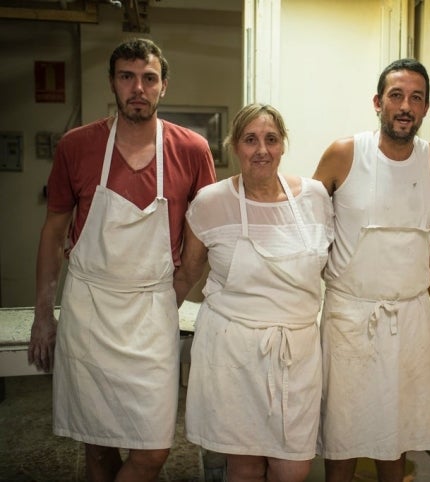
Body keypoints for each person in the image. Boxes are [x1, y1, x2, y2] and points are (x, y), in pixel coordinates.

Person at [27, 38, 217, 481]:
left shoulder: (191, 149)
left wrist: (178, 288)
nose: (138, 88)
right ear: (112, 82)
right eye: (127, 77)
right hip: (90, 308)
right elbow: (54, 231)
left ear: (163, 86)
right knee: (98, 445)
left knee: (152, 450)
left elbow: (204, 233)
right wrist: (43, 315)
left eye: (148, 79)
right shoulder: (77, 145)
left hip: (151, 310)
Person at [173, 103, 334, 482]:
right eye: (250, 139)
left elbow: (334, 270)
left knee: (293, 467)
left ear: (282, 146)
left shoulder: (314, 197)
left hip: (296, 352)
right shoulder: (212, 202)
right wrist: (154, 323)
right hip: (233, 353)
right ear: (235, 146)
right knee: (243, 468)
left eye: (271, 139)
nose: (261, 149)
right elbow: (188, 274)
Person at [313, 58, 430, 482]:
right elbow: (308, 232)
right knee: (344, 433)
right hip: (351, 316)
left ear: (425, 108)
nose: (405, 106)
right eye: (396, 96)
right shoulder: (343, 154)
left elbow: (428, 233)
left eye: (416, 98)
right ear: (377, 102)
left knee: (398, 431)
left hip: (409, 319)